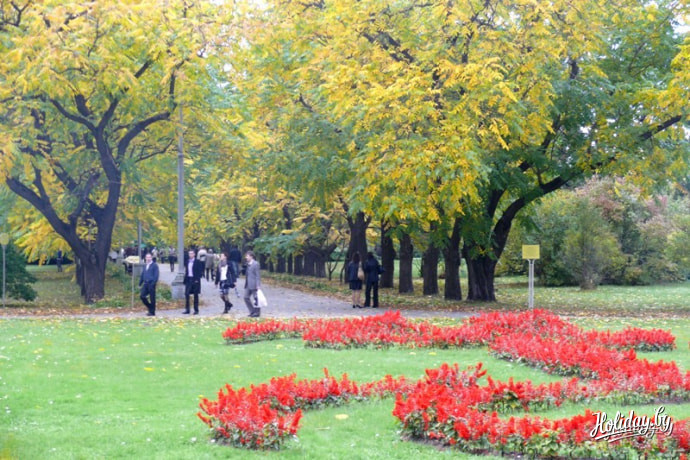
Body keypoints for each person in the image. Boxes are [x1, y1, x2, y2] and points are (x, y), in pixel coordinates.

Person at [183, 249, 205, 315]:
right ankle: (187, 309)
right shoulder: (187, 261)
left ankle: (196, 310)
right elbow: (187, 271)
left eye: (191, 253)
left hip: (195, 279)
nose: (190, 255)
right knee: (187, 294)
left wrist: (197, 279)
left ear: (194, 254)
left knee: (195, 295)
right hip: (189, 279)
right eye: (189, 253)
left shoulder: (197, 262)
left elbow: (200, 271)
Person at [243, 250, 261, 317]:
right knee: (246, 297)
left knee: (256, 299)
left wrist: (258, 285)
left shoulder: (256, 264)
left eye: (247, 256)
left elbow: (258, 275)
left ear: (251, 256)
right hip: (248, 284)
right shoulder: (247, 264)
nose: (246, 257)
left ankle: (257, 313)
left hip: (254, 284)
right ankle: (252, 311)